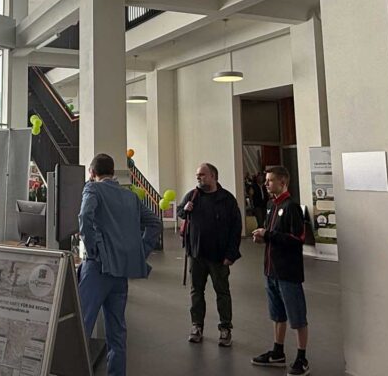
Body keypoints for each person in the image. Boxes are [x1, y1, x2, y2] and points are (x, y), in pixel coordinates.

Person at [78, 153, 162, 376]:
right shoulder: (130, 196)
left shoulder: (92, 189)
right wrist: (139, 252)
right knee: (117, 332)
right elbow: (155, 222)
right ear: (113, 172)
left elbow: (85, 216)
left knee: (82, 326)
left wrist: (93, 249)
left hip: (98, 269)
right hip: (121, 272)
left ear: (92, 173)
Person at [251, 165, 310, 376]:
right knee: (277, 314)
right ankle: (278, 352)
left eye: (270, 180)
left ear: (282, 182)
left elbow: (298, 239)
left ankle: (302, 357)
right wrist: (263, 238)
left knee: (297, 316)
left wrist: (268, 235)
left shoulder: (292, 207)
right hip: (271, 271)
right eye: (266, 180)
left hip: (288, 273)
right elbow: (272, 234)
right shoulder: (270, 206)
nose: (266, 184)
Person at [177, 163, 242, 347]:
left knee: (222, 292)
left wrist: (231, 253)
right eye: (197, 175)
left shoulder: (227, 199)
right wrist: (185, 209)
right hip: (196, 254)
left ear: (213, 176)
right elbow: (180, 212)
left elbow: (236, 228)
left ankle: (225, 328)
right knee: (196, 291)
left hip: (219, 256)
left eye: (202, 175)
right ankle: (196, 326)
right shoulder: (193, 195)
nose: (198, 178)